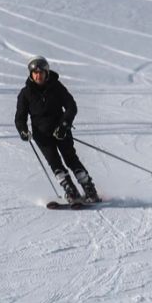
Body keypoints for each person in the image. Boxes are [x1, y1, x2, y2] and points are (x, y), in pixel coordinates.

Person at [15, 56, 100, 204]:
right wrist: (23, 130)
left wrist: (64, 125)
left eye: (41, 72)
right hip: (42, 136)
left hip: (61, 132)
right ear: (31, 74)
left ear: (47, 73)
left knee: (71, 160)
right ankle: (71, 191)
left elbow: (71, 106)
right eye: (35, 73)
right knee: (55, 164)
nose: (38, 75)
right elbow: (19, 117)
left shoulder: (56, 87)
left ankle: (89, 189)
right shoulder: (25, 93)